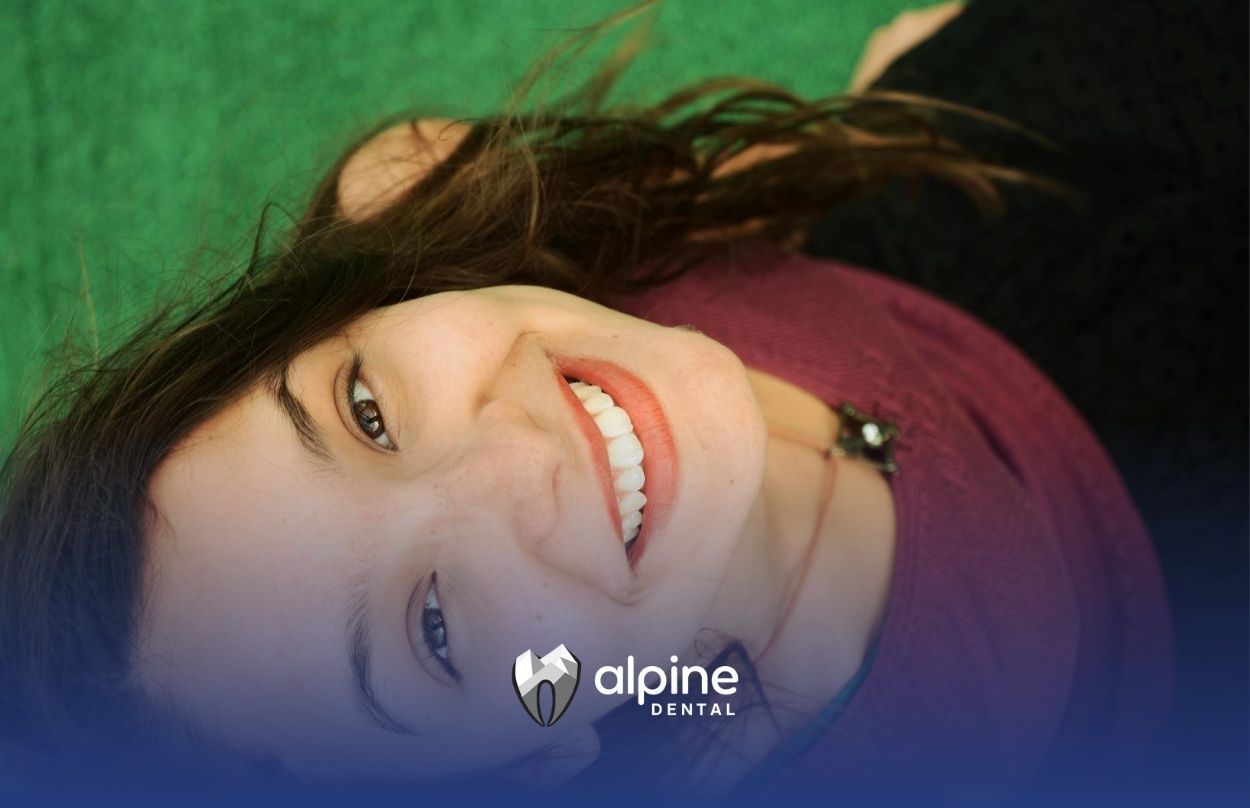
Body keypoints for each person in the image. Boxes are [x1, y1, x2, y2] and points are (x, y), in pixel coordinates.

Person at [0, 1, 1183, 803]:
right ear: (533, 761)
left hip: (970, 248)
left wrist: (876, 117)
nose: (517, 460)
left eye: (363, 411)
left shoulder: (474, 218)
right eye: (436, 629)